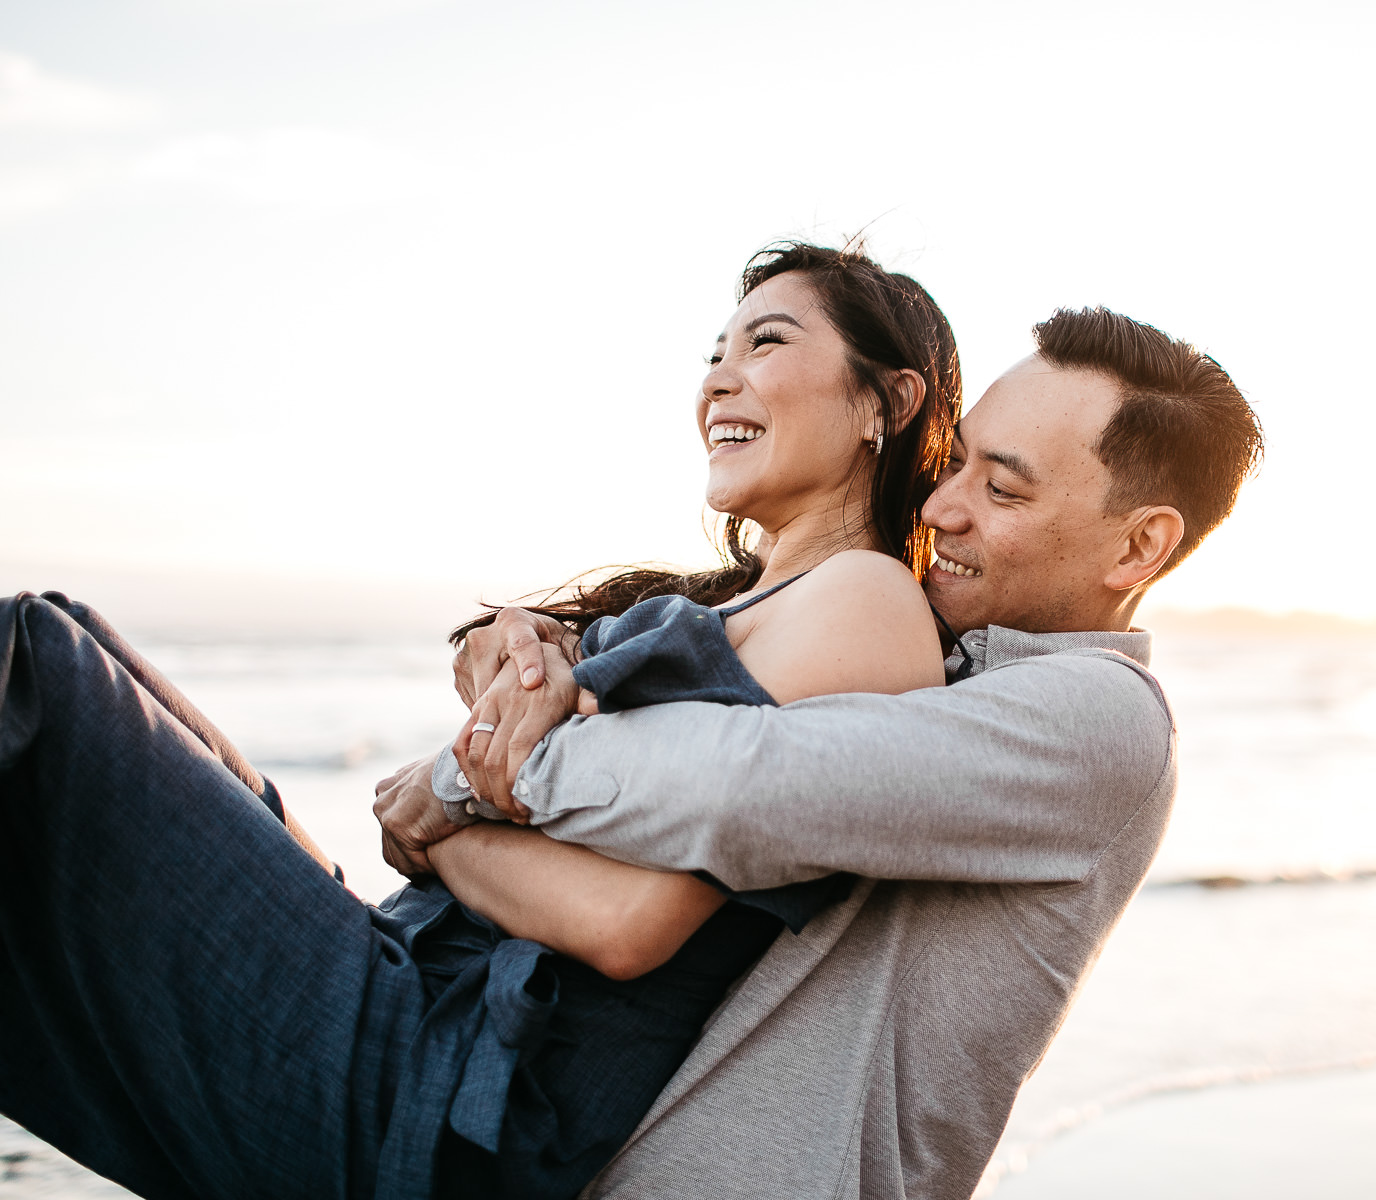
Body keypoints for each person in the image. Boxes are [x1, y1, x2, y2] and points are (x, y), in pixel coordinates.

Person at [0, 240, 965, 1200]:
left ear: (888, 401)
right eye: (714, 353)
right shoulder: (751, 602)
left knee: (35, 669)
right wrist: (524, 659)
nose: (718, 379)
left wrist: (439, 815)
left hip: (448, 1088)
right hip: (410, 985)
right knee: (70, 650)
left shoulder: (864, 598)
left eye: (765, 343)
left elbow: (629, 922)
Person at [384, 306, 1264, 1198]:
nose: (939, 506)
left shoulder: (1101, 721)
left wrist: (465, 775)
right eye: (955, 462)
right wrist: (548, 649)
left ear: (1140, 544)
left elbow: (746, 783)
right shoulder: (948, 661)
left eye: (1001, 491)